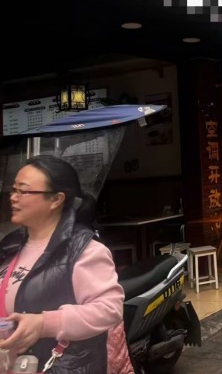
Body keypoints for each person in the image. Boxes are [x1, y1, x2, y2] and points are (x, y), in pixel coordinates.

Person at [0, 155, 130, 373]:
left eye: (23, 191)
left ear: (56, 200)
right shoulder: (10, 245)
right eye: (13, 190)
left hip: (57, 366)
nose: (13, 197)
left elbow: (110, 309)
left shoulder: (84, 250)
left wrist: (44, 323)